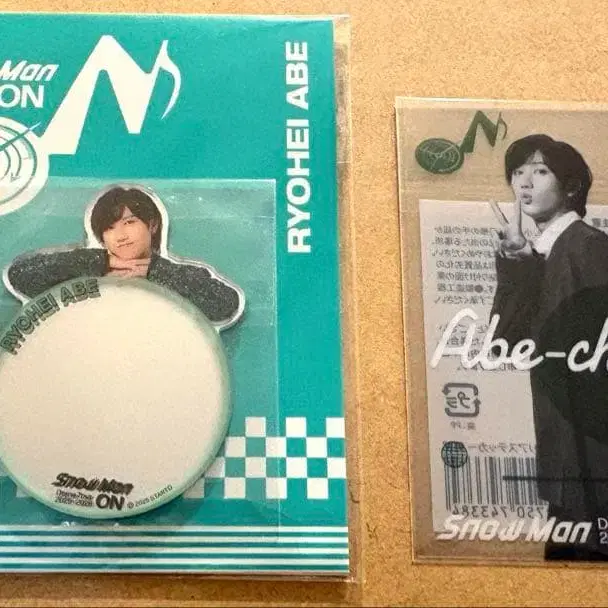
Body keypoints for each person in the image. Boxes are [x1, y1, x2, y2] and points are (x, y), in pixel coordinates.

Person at [490, 134, 608, 560]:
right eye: (518, 172)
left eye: (540, 171)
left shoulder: (590, 247)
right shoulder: (539, 255)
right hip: (566, 457)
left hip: (593, 458)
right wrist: (517, 263)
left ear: (571, 186)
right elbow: (505, 344)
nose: (524, 183)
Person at [4, 185, 244, 330]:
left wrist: (154, 271)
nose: (120, 236)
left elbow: (225, 305)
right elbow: (20, 276)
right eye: (109, 228)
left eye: (129, 222)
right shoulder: (85, 271)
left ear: (152, 224)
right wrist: (98, 262)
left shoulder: (175, 275)